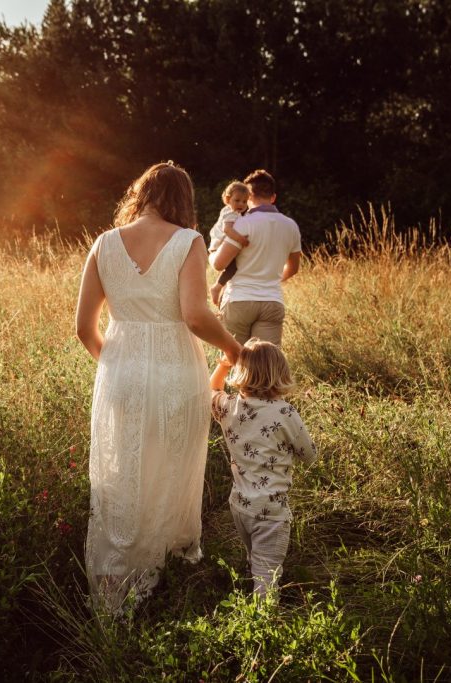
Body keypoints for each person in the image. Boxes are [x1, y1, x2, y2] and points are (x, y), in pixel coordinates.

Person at [75, 161, 243, 612]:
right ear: (182, 199)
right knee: (169, 467)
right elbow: (194, 315)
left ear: (139, 194)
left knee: (122, 471)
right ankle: (161, 571)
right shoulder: (189, 241)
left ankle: (116, 578)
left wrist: (118, 364)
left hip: (120, 370)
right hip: (175, 368)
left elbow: (83, 327)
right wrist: (235, 350)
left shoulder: (104, 243)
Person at [209, 339, 317, 597]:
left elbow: (211, 389)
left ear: (241, 371)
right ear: (280, 374)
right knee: (267, 579)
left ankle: (253, 593)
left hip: (240, 506)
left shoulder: (230, 407)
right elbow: (310, 455)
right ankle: (263, 628)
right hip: (271, 512)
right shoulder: (284, 412)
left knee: (255, 560)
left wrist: (224, 366)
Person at [209, 169, 302, 346]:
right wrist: (268, 281)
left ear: (249, 195)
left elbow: (219, 264)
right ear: (273, 197)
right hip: (272, 301)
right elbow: (293, 268)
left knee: (236, 362)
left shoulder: (242, 224)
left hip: (239, 300)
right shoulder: (291, 226)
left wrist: (212, 253)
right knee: (266, 364)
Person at [208, 180, 251, 308]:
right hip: (218, 246)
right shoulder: (230, 213)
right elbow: (227, 230)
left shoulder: (235, 212)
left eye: (244, 201)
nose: (241, 204)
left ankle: (222, 296)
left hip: (221, 245)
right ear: (228, 199)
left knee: (233, 274)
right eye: (237, 200)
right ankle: (216, 287)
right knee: (233, 269)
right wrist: (240, 239)